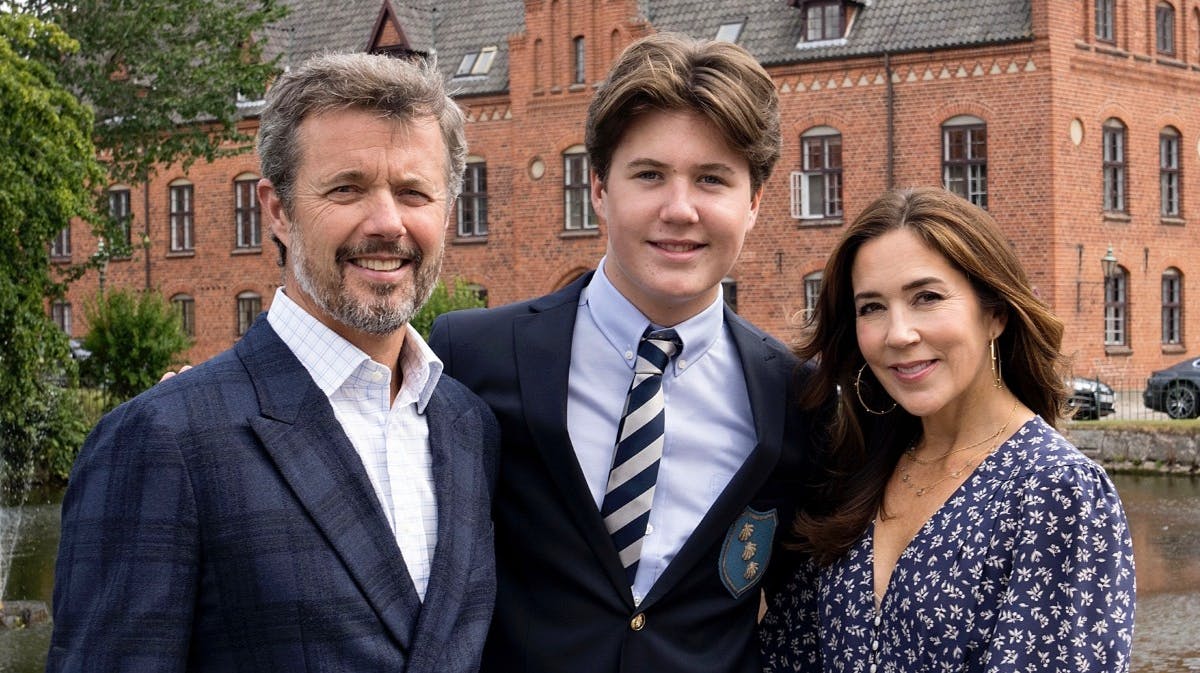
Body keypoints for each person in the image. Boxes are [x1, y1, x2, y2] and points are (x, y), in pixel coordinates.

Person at [47, 53, 500, 673]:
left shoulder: (470, 428)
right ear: (278, 210)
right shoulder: (163, 440)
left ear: (445, 212)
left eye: (414, 192)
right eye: (347, 188)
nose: (388, 223)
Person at [428, 33, 822, 672]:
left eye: (712, 180)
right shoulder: (474, 356)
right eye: (649, 175)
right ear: (600, 189)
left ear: (753, 202)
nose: (680, 209)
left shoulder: (794, 398)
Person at [759, 187, 1136, 672]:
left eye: (927, 298)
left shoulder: (1056, 490)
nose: (898, 333)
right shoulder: (855, 471)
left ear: (995, 314)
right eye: (871, 307)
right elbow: (786, 653)